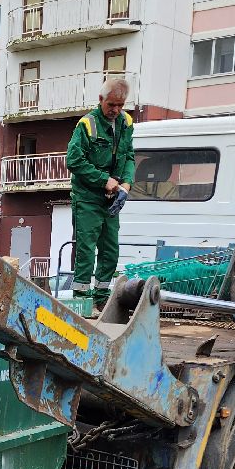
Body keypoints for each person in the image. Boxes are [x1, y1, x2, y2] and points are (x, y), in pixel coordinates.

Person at [65, 77, 135, 310]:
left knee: (110, 250)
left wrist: (126, 185)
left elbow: (129, 156)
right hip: (87, 198)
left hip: (111, 199)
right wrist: (104, 180)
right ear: (100, 99)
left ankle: (102, 298)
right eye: (111, 104)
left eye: (120, 105)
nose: (115, 110)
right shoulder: (87, 125)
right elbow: (74, 161)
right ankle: (81, 299)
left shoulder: (126, 123)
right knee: (86, 249)